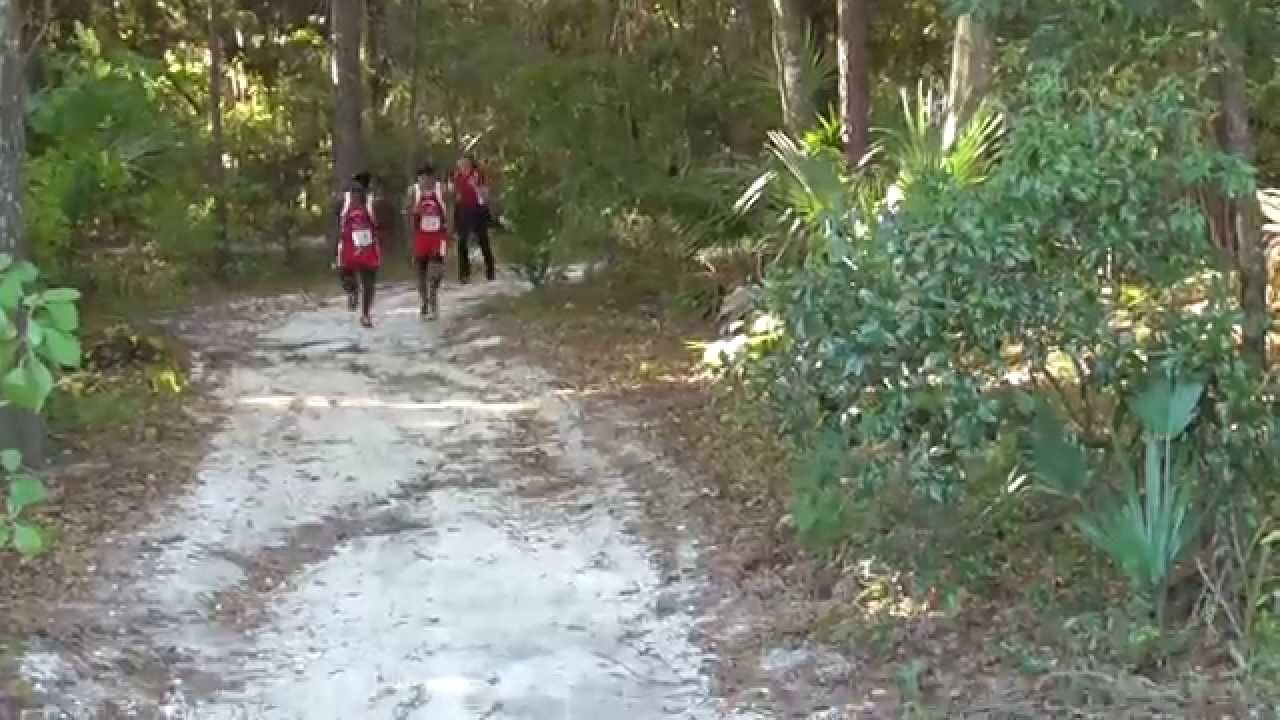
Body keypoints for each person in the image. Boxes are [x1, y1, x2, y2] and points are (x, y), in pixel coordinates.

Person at [335, 173, 382, 328]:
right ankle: (353, 292)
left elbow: (380, 223)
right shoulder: (343, 201)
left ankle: (365, 314)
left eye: (360, 190)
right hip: (349, 243)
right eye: (354, 190)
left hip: (368, 244)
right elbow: (337, 219)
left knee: (369, 280)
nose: (357, 193)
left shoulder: (372, 202)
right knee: (344, 271)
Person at [406, 162, 449, 320]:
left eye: (427, 178)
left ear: (433, 178)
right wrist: (410, 235)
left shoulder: (441, 190)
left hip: (438, 236)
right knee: (421, 271)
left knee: (437, 270)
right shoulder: (413, 191)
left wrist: (450, 230)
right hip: (420, 236)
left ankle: (433, 296)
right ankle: (424, 301)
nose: (424, 181)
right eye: (421, 178)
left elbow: (450, 209)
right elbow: (407, 213)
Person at [450, 152, 496, 283]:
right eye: (461, 163)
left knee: (483, 241)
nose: (463, 166)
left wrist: (475, 186)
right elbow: (454, 195)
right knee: (462, 242)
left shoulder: (478, 175)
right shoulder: (456, 176)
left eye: (465, 163)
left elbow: (485, 194)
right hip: (463, 210)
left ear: (470, 164)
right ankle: (464, 274)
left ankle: (490, 271)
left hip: (477, 210)